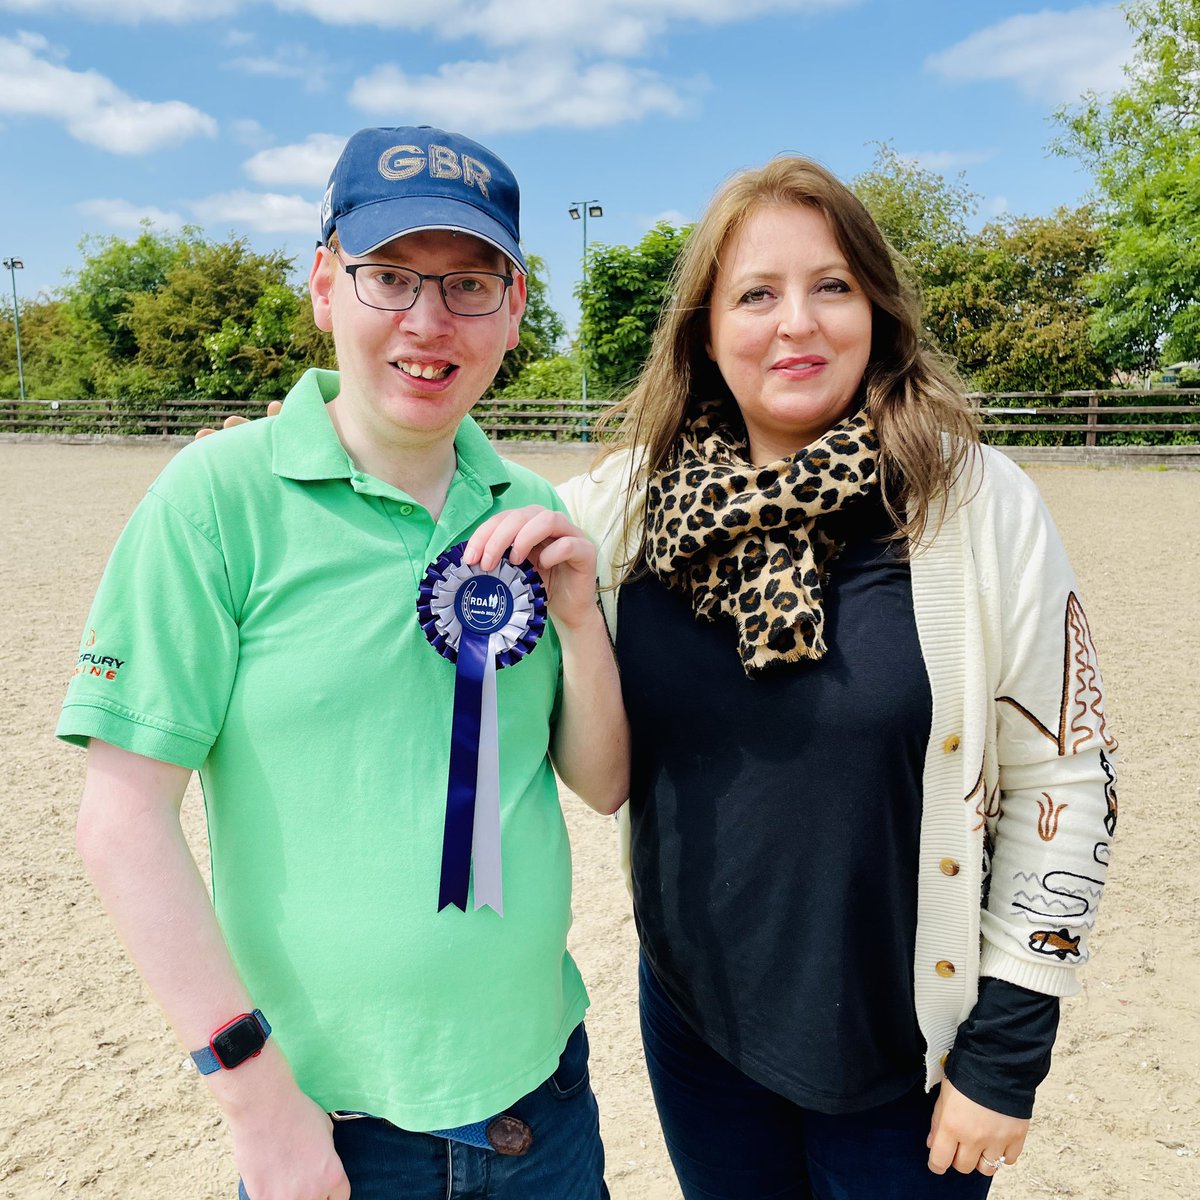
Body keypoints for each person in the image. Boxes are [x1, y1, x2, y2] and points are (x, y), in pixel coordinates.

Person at [58, 125, 628, 1200]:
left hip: (542, 1105)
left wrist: (581, 619)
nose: (428, 320)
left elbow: (599, 786)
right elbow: (120, 821)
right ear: (326, 285)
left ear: (512, 311)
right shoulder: (215, 499)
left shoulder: (532, 508)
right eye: (390, 277)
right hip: (328, 1132)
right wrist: (256, 1101)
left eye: (469, 284)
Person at [558, 156, 1117, 1198]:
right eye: (755, 294)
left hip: (908, 1061)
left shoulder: (978, 504)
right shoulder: (626, 510)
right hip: (698, 1027)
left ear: (877, 306)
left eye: (831, 286)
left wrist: (1006, 1055)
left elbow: (1069, 781)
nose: (796, 324)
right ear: (706, 327)